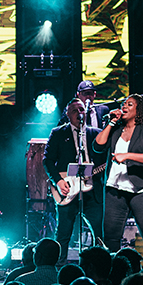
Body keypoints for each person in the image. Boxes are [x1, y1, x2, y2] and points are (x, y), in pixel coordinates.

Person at [93, 94, 143, 259]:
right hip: (115, 189)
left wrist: (127, 155)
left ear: (139, 110)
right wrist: (111, 122)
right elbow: (98, 146)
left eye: (130, 104)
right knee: (111, 236)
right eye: (123, 104)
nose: (124, 106)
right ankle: (113, 276)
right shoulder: (116, 128)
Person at [44, 98, 105, 260]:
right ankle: (58, 270)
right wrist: (58, 181)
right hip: (68, 189)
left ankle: (98, 267)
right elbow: (47, 160)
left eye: (81, 110)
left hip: (93, 191)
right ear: (67, 114)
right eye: (74, 110)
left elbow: (106, 158)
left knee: (99, 233)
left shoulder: (96, 134)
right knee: (63, 233)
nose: (79, 113)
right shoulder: (58, 133)